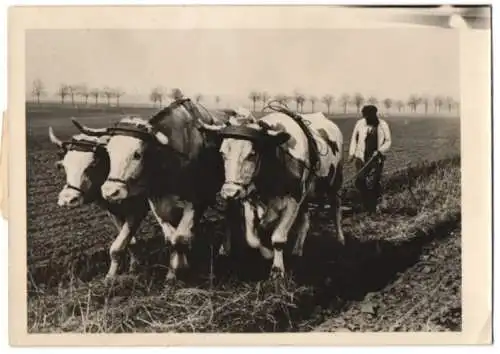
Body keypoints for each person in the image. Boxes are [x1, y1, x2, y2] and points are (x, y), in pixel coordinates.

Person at [348, 104, 392, 213]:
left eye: (367, 116)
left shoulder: (382, 125)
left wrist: (380, 151)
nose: (365, 118)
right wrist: (352, 153)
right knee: (360, 182)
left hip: (376, 159)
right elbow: (354, 139)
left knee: (372, 183)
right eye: (364, 116)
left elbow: (388, 141)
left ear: (373, 115)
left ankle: (372, 208)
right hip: (361, 158)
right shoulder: (360, 124)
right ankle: (366, 204)